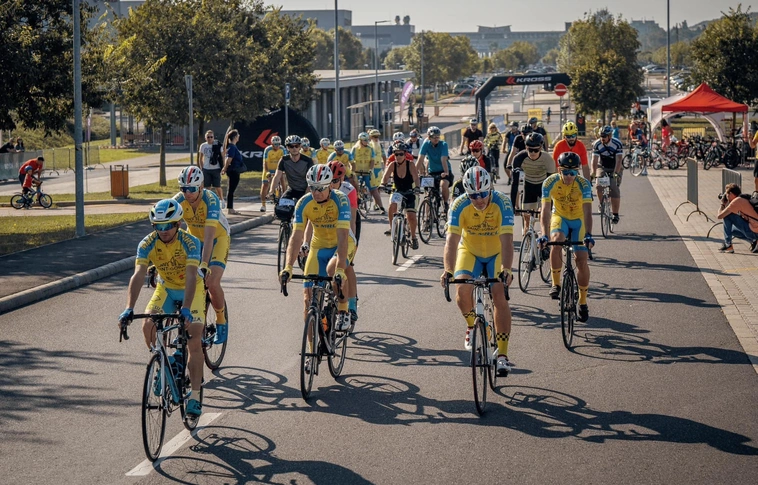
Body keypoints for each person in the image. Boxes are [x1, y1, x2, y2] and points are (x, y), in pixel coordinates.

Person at [118, 199, 206, 417]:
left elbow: (191, 276)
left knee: (194, 339)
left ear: (178, 224)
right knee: (148, 325)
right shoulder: (147, 243)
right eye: (158, 226)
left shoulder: (191, 242)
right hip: (166, 287)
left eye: (168, 225)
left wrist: (186, 308)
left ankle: (195, 397)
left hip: (191, 289)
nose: (163, 230)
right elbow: (138, 274)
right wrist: (129, 308)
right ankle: (165, 365)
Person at [442, 166, 516, 375]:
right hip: (471, 251)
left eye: (483, 193)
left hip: (496, 252)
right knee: (462, 290)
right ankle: (472, 325)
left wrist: (507, 269)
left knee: (499, 294)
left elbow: (507, 240)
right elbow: (451, 241)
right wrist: (448, 270)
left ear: (490, 188)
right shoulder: (459, 205)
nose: (479, 199)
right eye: (473, 195)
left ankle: (502, 355)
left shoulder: (502, 202)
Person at [279, 165, 356, 334]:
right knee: (308, 300)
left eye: (321, 188)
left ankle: (343, 311)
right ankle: (310, 348)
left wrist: (340, 269)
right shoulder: (304, 203)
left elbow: (343, 237)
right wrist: (288, 267)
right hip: (318, 246)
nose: (316, 192)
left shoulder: (341, 200)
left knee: (332, 270)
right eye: (313, 187)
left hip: (342, 243)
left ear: (330, 186)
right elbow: (296, 237)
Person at [174, 165, 231, 344]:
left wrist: (204, 264)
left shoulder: (211, 200)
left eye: (191, 189)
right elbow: (168, 229)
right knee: (182, 279)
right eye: (183, 189)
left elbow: (209, 237)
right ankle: (183, 324)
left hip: (217, 239)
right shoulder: (178, 201)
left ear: (201, 187)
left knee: (211, 282)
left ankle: (221, 321)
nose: (187, 193)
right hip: (194, 240)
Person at [538, 152, 595, 322]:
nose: (570, 176)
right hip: (560, 217)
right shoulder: (550, 182)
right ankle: (556, 284)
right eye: (566, 172)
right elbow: (545, 210)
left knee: (581, 260)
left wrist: (589, 234)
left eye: (573, 172)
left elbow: (588, 212)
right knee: (556, 241)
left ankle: (583, 302)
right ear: (559, 170)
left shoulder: (584, 184)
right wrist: (544, 234)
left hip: (578, 220)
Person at [328, 160, 361, 322]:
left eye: (335, 180)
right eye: (329, 180)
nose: (331, 184)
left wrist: (350, 244)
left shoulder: (349, 190)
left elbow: (352, 220)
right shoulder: (322, 187)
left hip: (349, 226)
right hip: (329, 228)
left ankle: (352, 304)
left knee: (347, 265)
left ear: (342, 179)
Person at [510, 133, 556, 232]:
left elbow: (552, 183)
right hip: (529, 186)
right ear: (526, 147)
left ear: (541, 148)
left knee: (545, 217)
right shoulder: (519, 158)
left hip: (544, 186)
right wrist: (512, 205)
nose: (533, 153)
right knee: (527, 218)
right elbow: (515, 184)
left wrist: (549, 206)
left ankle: (545, 236)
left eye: (536, 150)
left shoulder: (548, 159)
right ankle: (528, 235)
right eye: (530, 150)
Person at [381, 140, 421, 249]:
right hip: (398, 191)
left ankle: (413, 237)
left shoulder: (410, 164)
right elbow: (385, 176)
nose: (398, 156)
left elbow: (416, 178)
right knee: (392, 206)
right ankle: (392, 228)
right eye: (396, 154)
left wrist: (417, 187)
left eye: (401, 154)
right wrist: (382, 184)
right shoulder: (392, 165)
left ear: (405, 154)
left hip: (410, 192)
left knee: (411, 216)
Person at [591, 126, 624, 223]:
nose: (602, 138)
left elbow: (619, 160)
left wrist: (616, 173)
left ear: (610, 136)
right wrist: (593, 173)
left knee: (614, 188)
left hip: (615, 166)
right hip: (602, 166)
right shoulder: (597, 144)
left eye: (604, 136)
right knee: (599, 185)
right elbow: (594, 160)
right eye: (601, 136)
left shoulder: (617, 144)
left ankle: (615, 214)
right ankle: (601, 204)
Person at [416, 126, 453, 212]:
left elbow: (443, 159)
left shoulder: (443, 144)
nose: (436, 139)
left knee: (443, 185)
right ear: (429, 137)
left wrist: (446, 172)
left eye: (438, 137)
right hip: (432, 172)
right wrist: (413, 174)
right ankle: (427, 216)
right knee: (428, 194)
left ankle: (445, 203)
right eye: (434, 137)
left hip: (444, 170)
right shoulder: (426, 144)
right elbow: (420, 159)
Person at [271, 135, 315, 205]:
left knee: (302, 208)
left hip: (306, 190)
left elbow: (311, 181)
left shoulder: (308, 161)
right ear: (287, 148)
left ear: (300, 147)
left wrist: (305, 196)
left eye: (296, 146)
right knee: (281, 207)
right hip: (291, 190)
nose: (294, 148)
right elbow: (277, 177)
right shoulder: (284, 160)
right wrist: (271, 191)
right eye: (291, 146)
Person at [716, 183, 758, 253]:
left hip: (754, 231)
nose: (726, 197)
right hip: (755, 229)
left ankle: (728, 244)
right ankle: (754, 241)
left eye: (727, 194)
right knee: (732, 230)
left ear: (731, 194)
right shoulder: (743, 198)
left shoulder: (736, 201)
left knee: (727, 216)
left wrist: (722, 204)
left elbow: (720, 216)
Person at [351, 132, 385, 214]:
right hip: (357, 172)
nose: (367, 142)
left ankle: (381, 207)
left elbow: (372, 160)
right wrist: (352, 171)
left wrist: (370, 169)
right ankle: (352, 207)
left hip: (367, 172)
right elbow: (351, 160)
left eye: (367, 140)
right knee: (353, 189)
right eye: (365, 140)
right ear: (360, 140)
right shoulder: (355, 149)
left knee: (374, 189)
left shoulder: (370, 149)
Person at [197, 130, 225, 204]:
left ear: (213, 137)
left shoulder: (217, 145)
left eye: (211, 137)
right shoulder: (203, 146)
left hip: (216, 168)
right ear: (205, 138)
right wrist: (202, 168)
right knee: (207, 187)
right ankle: (208, 201)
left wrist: (224, 167)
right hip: (206, 169)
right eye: (208, 137)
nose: (210, 138)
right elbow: (200, 158)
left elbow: (223, 156)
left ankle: (222, 200)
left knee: (217, 186)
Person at [221, 129, 244, 215]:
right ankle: (230, 209)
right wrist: (225, 168)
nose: (239, 137)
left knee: (231, 189)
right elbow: (229, 159)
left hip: (233, 170)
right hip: (233, 170)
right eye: (238, 135)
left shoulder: (231, 147)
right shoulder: (232, 147)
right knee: (231, 189)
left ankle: (230, 208)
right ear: (235, 137)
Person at [259, 135, 285, 212]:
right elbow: (265, 163)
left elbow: (285, 161)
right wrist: (267, 173)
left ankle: (284, 199)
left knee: (283, 182)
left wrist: (284, 171)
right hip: (269, 169)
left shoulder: (283, 149)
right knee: (265, 185)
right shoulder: (268, 150)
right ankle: (263, 205)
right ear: (272, 144)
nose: (277, 146)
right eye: (275, 144)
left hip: (278, 169)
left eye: (278, 144)